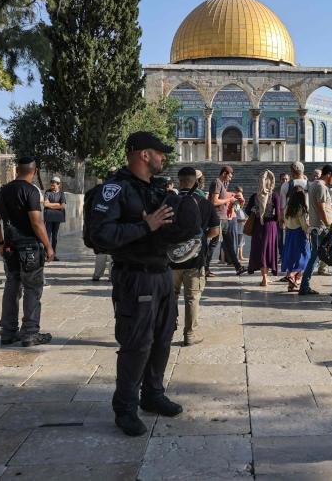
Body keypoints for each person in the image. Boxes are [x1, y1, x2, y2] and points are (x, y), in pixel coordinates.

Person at [89, 131, 183, 437]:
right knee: (137, 344)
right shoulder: (115, 190)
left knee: (163, 337)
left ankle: (152, 394)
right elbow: (99, 237)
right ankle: (125, 408)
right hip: (135, 277)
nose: (163, 158)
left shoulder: (154, 189)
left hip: (162, 274)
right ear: (144, 154)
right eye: (159, 152)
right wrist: (145, 225)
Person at [0, 157, 55, 348]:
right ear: (34, 172)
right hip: (30, 249)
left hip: (10, 248)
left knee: (12, 287)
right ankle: (30, 333)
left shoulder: (4, 191)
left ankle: (8, 332)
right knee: (33, 289)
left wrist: (1, 243)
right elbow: (36, 222)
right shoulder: (31, 191)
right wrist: (49, 246)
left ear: (17, 169)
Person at [171, 167, 220, 346]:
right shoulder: (204, 203)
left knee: (171, 296)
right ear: (196, 181)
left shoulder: (169, 201)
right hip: (195, 258)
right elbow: (215, 230)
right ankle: (189, 335)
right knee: (192, 298)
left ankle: (168, 330)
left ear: (179, 181)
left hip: (171, 259)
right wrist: (199, 240)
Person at [299, 164, 332, 296]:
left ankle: (304, 286)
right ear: (329, 174)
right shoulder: (321, 186)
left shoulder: (314, 185)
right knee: (331, 255)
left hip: (317, 227)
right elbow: (321, 208)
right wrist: (328, 224)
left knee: (317, 257)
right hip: (321, 228)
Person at [206, 166, 245, 277]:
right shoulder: (217, 183)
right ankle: (205, 268)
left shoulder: (222, 184)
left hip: (224, 219)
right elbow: (214, 201)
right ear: (224, 173)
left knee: (229, 244)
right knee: (213, 244)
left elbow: (223, 200)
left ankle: (238, 267)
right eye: (230, 176)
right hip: (218, 218)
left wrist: (235, 199)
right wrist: (230, 199)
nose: (230, 178)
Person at [245, 170, 281, 286]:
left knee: (260, 251)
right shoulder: (274, 196)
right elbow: (278, 215)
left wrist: (257, 211)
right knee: (268, 251)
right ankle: (266, 277)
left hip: (258, 226)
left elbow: (247, 211)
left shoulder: (255, 196)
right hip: (270, 226)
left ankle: (264, 277)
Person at [281, 186, 311, 291]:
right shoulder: (300, 209)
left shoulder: (287, 208)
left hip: (289, 233)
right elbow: (304, 225)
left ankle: (291, 285)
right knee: (306, 256)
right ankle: (292, 274)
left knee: (292, 257)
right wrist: (310, 229)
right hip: (299, 234)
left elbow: (284, 221)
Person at [43, 177, 66, 261]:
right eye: (51, 184)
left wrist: (51, 205)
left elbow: (63, 206)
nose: (52, 186)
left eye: (54, 184)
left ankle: (53, 254)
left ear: (58, 185)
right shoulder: (47, 192)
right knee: (47, 236)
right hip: (49, 217)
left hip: (57, 218)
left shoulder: (61, 193)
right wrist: (57, 205)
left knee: (55, 237)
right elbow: (45, 204)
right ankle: (46, 254)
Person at [233, 186, 246, 261]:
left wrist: (243, 202)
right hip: (238, 227)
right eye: (240, 196)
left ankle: (240, 256)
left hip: (241, 227)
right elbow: (235, 217)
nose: (242, 198)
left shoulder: (238, 205)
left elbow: (240, 208)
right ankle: (237, 256)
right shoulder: (235, 204)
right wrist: (243, 220)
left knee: (241, 242)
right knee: (238, 242)